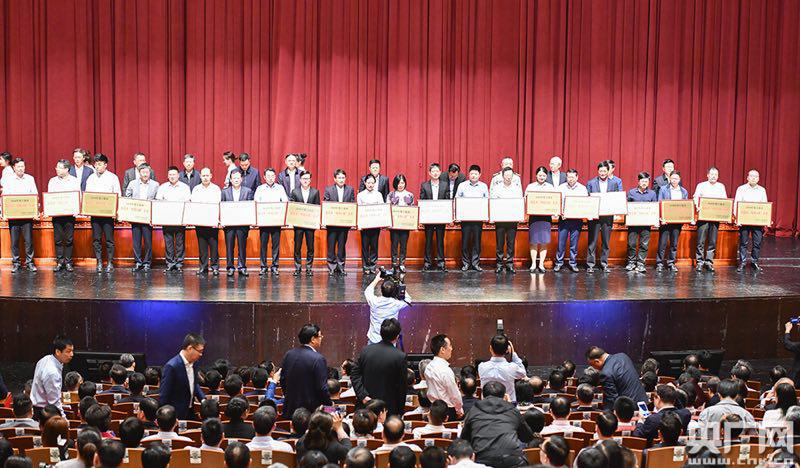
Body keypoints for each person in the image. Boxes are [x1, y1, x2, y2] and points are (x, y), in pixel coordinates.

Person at [461, 382, 533, 467]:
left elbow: (464, 439)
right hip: (512, 460)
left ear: (483, 395)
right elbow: (527, 437)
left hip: (483, 461)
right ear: (504, 396)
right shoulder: (513, 411)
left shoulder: (473, 411)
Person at [350, 318, 407, 416]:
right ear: (397, 336)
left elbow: (354, 374)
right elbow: (402, 387)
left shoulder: (366, 351)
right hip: (388, 410)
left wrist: (363, 396)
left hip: (366, 406)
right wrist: (400, 412)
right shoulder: (400, 357)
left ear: (380, 333)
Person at [279, 324, 332, 418]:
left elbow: (282, 380)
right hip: (310, 413)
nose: (321, 338)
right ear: (313, 339)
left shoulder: (289, 354)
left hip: (289, 409)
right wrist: (329, 405)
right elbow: (321, 388)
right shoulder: (318, 359)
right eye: (320, 336)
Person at [84, 153, 121, 272]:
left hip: (108, 214)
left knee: (109, 239)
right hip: (95, 214)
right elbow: (87, 195)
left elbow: (118, 194)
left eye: (99, 164)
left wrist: (117, 211)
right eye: (96, 164)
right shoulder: (91, 178)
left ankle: (110, 262)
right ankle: (99, 262)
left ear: (105, 165)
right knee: (96, 239)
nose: (97, 166)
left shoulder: (113, 177)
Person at [585, 161, 623, 273]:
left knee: (606, 241)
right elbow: (587, 199)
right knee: (592, 241)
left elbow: (618, 199)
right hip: (595, 216)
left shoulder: (614, 183)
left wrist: (617, 211)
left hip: (608, 216)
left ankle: (604, 264)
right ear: (598, 171)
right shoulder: (591, 183)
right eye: (600, 171)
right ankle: (590, 264)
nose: (602, 173)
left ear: (608, 171)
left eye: (604, 171)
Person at [159, 333, 206, 420]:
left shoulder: (195, 363)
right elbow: (164, 396)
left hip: (190, 411)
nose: (201, 354)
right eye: (200, 351)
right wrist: (167, 417)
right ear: (190, 348)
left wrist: (203, 399)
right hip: (175, 415)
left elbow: (194, 383)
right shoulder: (172, 366)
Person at [3, 157, 38, 272]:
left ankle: (30, 262)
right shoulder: (8, 180)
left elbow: (34, 195)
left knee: (29, 241)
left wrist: (35, 211)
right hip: (13, 216)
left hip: (27, 216)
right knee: (14, 241)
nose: (20, 168)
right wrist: (4, 212)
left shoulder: (30, 179)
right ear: (14, 167)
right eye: (18, 166)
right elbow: (5, 197)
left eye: (22, 166)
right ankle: (16, 262)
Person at [46, 160, 81, 272]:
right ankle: (60, 262)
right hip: (57, 215)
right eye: (57, 167)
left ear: (67, 169)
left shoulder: (74, 181)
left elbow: (78, 196)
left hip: (70, 215)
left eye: (60, 167)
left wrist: (77, 210)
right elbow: (50, 197)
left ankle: (69, 262)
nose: (57, 169)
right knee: (58, 240)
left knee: (69, 239)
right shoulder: (52, 181)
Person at [156, 166, 192, 272]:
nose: (172, 176)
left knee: (180, 242)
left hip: (180, 219)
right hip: (167, 219)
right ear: (167, 176)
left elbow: (188, 203)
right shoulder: (162, 187)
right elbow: (158, 202)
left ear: (178, 175)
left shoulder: (185, 187)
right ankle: (170, 263)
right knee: (168, 242)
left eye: (174, 174)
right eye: (170, 175)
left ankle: (179, 263)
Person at [254, 167, 289, 276]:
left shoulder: (280, 188)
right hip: (264, 222)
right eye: (268, 176)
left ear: (275, 177)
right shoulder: (260, 188)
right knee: (263, 245)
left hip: (276, 221)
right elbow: (255, 203)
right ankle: (263, 266)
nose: (270, 178)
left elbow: (285, 202)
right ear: (264, 177)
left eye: (272, 176)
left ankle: (275, 266)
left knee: (276, 245)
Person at [125, 164, 159, 272]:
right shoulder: (132, 183)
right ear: (139, 173)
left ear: (150, 173)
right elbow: (127, 197)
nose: (145, 174)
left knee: (148, 241)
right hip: (135, 217)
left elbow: (157, 200)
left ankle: (147, 262)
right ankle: (138, 262)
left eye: (147, 172)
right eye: (143, 172)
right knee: (136, 241)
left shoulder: (155, 185)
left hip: (148, 217)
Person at [693, 166, 727, 272]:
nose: (713, 176)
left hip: (715, 218)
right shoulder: (701, 185)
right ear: (707, 175)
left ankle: (709, 262)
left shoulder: (721, 186)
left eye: (716, 174)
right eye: (712, 174)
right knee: (700, 241)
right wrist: (698, 206)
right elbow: (695, 197)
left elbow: (724, 201)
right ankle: (699, 262)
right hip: (703, 217)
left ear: (718, 176)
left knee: (712, 241)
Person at [456, 165, 489, 272]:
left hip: (478, 218)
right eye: (471, 173)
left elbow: (487, 201)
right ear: (469, 174)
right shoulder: (462, 185)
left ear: (479, 175)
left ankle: (475, 263)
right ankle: (465, 263)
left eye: (476, 174)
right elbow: (457, 200)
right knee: (465, 241)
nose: (473, 175)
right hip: (465, 218)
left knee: (477, 241)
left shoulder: (483, 186)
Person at [30, 336, 73, 418]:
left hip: (38, 408)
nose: (71, 354)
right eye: (68, 351)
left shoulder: (45, 359)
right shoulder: (52, 372)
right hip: (45, 412)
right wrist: (64, 420)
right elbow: (54, 403)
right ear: (58, 352)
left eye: (72, 351)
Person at [221, 170, 254, 277]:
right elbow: (222, 207)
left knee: (242, 246)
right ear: (230, 180)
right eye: (234, 178)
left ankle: (242, 267)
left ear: (241, 179)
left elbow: (250, 208)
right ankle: (230, 267)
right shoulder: (224, 192)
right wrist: (222, 220)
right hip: (229, 224)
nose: (236, 180)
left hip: (242, 224)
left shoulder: (248, 191)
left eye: (238, 178)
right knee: (229, 246)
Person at [734, 169, 768, 272]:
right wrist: (737, 218)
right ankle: (742, 262)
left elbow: (765, 206)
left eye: (756, 176)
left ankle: (754, 262)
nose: (754, 178)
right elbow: (736, 204)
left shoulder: (762, 190)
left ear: (758, 178)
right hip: (744, 221)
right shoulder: (741, 189)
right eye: (752, 176)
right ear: (747, 177)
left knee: (757, 243)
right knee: (743, 243)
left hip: (757, 221)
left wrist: (766, 219)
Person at [554, 169, 588, 272]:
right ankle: (559, 263)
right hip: (564, 219)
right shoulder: (561, 187)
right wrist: (560, 212)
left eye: (573, 177)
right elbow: (557, 202)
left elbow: (585, 204)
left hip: (577, 220)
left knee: (574, 243)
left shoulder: (582, 189)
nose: (571, 179)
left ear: (577, 177)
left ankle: (573, 263)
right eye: (569, 177)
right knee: (561, 243)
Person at [363, 274, 411, 345]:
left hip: (374, 338)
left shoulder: (374, 302)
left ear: (381, 290)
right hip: (390, 341)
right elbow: (408, 300)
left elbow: (367, 291)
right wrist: (400, 284)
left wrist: (376, 279)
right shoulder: (396, 304)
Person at [324, 169, 356, 276]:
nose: (341, 180)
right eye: (339, 178)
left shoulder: (350, 189)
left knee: (342, 246)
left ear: (345, 178)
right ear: (335, 179)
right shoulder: (329, 190)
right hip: (332, 224)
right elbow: (326, 205)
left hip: (344, 224)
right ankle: (332, 267)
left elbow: (352, 204)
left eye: (343, 177)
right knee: (331, 246)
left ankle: (341, 266)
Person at [191, 167, 222, 275]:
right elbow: (194, 204)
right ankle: (203, 267)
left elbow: (218, 204)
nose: (205, 178)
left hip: (212, 221)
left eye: (207, 175)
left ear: (211, 176)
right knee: (202, 245)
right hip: (200, 221)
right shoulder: (196, 189)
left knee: (214, 245)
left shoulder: (216, 189)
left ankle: (215, 267)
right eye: (203, 175)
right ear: (200, 176)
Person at [491, 167, 523, 273]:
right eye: (506, 175)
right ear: (502, 176)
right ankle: (499, 264)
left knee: (511, 243)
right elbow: (493, 203)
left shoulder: (517, 188)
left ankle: (510, 264)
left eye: (510, 175)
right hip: (500, 219)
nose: (508, 177)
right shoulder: (497, 188)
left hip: (512, 219)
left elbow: (519, 203)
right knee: (499, 243)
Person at [477, 335, 526, 403]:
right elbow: (523, 373)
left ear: (490, 348)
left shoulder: (481, 367)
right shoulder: (512, 367)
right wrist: (513, 353)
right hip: (508, 405)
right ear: (507, 350)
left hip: (487, 406)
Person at [424, 334, 463, 420]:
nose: (451, 349)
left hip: (433, 408)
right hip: (447, 411)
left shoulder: (428, 367)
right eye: (450, 346)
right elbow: (454, 394)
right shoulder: (445, 370)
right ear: (442, 350)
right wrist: (459, 409)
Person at [656, 170, 689, 271]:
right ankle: (659, 263)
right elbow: (660, 203)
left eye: (676, 179)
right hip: (665, 221)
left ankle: (671, 263)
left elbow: (686, 207)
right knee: (662, 243)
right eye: (673, 178)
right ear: (669, 179)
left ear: (679, 179)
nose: (674, 180)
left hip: (677, 222)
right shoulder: (663, 189)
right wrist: (661, 218)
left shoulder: (684, 191)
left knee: (674, 243)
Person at [625, 172, 658, 273]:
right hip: (633, 223)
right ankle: (631, 262)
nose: (644, 183)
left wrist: (655, 220)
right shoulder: (631, 192)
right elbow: (627, 207)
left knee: (644, 244)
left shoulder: (652, 194)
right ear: (638, 182)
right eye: (642, 181)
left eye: (646, 181)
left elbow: (655, 208)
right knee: (631, 244)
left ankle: (641, 264)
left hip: (646, 224)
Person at [419, 163, 449, 271]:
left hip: (441, 218)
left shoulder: (445, 185)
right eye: (433, 171)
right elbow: (422, 201)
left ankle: (441, 263)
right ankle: (427, 263)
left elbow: (447, 201)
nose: (435, 173)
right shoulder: (424, 185)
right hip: (429, 218)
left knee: (440, 240)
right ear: (429, 173)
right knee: (428, 241)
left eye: (437, 171)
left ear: (440, 172)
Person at [525, 166, 555, 273]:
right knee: (533, 241)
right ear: (536, 175)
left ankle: (541, 264)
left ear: (546, 176)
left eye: (543, 175)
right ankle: (533, 263)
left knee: (544, 242)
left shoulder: (550, 187)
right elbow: (526, 200)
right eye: (539, 175)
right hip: (534, 217)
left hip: (546, 218)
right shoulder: (530, 186)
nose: (541, 177)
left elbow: (554, 201)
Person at [290, 171, 320, 276]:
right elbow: (292, 207)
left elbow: (317, 207)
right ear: (300, 180)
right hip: (298, 224)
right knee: (297, 247)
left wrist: (316, 222)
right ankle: (297, 268)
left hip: (310, 225)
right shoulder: (295, 192)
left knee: (310, 247)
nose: (305, 180)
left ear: (310, 180)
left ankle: (309, 268)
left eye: (307, 178)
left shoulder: (315, 192)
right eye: (304, 178)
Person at [357, 174, 385, 275]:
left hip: (375, 225)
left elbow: (382, 208)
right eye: (368, 182)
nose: (370, 185)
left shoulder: (378, 194)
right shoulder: (360, 195)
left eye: (372, 183)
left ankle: (373, 266)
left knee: (374, 246)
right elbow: (358, 210)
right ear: (365, 183)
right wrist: (359, 225)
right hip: (364, 226)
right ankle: (365, 267)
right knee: (365, 246)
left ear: (374, 184)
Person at [387, 174, 414, 272]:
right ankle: (394, 264)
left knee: (403, 245)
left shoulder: (410, 195)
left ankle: (402, 264)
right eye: (398, 183)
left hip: (405, 225)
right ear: (395, 184)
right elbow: (387, 209)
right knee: (394, 245)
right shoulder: (390, 195)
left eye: (402, 183)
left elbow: (412, 210)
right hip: (394, 225)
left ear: (405, 183)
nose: (400, 185)